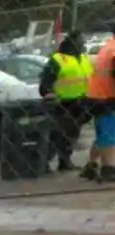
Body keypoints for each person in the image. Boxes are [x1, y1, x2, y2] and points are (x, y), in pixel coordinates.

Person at [40, 32, 93, 172]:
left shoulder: (82, 58)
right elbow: (45, 85)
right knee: (57, 135)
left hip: (80, 102)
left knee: (72, 135)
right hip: (62, 104)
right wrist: (51, 97)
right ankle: (43, 162)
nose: (84, 44)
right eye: (81, 41)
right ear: (73, 43)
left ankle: (65, 161)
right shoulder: (58, 59)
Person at [86, 25, 115, 181]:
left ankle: (91, 166)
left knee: (104, 133)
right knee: (109, 134)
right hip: (106, 98)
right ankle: (108, 169)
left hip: (96, 96)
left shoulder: (109, 46)